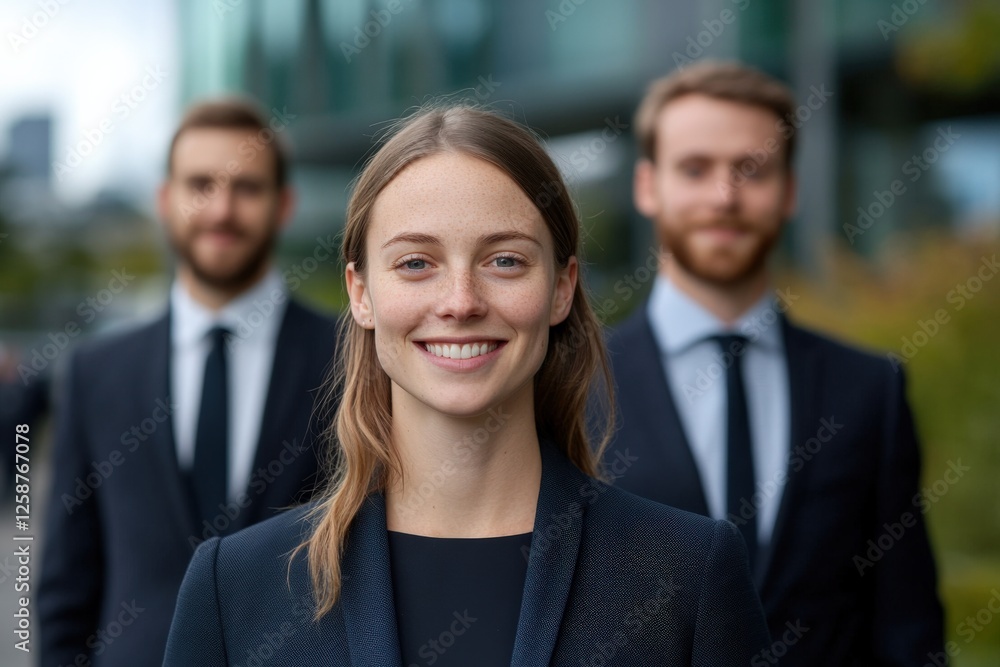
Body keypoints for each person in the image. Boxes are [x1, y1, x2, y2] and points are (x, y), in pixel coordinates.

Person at [163, 104, 771, 666]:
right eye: (415, 263)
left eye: (505, 260)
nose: (460, 303)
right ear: (361, 292)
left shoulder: (687, 575)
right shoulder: (235, 588)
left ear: (562, 288)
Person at [603, 61, 944, 664]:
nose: (724, 196)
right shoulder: (570, 383)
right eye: (695, 168)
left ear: (789, 190)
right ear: (647, 186)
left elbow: (908, 624)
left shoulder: (869, 390)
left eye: (751, 169)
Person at [38, 98, 337, 667]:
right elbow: (63, 588)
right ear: (165, 201)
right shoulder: (94, 372)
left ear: (284, 205)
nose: (221, 209)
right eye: (200, 185)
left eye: (247, 187)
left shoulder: (350, 359)